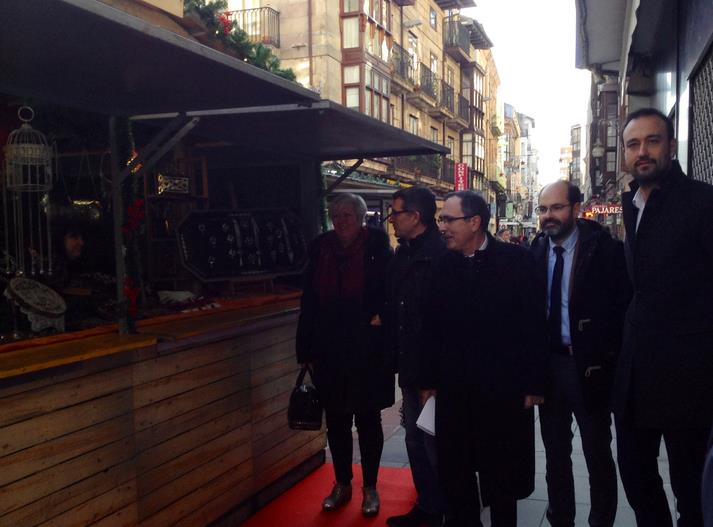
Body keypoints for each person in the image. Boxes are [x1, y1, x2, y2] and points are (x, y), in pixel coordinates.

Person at [420, 190, 547, 527]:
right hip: (454, 390)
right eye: (441, 219)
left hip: (502, 391)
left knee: (502, 477)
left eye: (448, 219)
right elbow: (429, 325)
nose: (442, 226)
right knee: (456, 472)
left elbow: (535, 323)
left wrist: (534, 383)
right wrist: (428, 380)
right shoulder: (442, 265)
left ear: (474, 222)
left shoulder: (516, 261)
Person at [614, 108, 713, 527]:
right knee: (635, 475)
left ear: (671, 147)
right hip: (636, 371)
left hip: (688, 374)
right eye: (633, 144)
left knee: (690, 486)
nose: (642, 152)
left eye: (652, 141)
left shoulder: (703, 202)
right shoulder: (631, 203)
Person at [531, 181, 631, 527]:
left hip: (588, 367)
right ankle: (561, 518)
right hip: (549, 366)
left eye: (556, 208)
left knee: (597, 452)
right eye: (543, 209)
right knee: (555, 454)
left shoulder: (605, 251)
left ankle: (600, 521)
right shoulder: (537, 249)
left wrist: (607, 357)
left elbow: (622, 310)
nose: (548, 217)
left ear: (576, 209)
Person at [295, 193, 394, 517]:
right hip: (330, 349)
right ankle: (342, 483)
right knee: (336, 420)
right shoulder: (321, 250)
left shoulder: (378, 250)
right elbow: (309, 302)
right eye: (335, 214)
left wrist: (382, 316)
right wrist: (305, 348)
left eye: (347, 215)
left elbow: (392, 294)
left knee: (368, 420)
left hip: (367, 348)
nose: (340, 220)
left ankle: (370, 487)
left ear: (362, 218)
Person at [384, 187, 447, 527]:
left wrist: (434, 377)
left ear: (415, 216)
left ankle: (450, 508)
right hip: (409, 367)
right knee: (415, 439)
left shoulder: (441, 255)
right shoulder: (402, 255)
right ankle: (429, 507)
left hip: (433, 373)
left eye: (396, 213)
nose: (391, 220)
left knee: (436, 442)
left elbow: (446, 322)